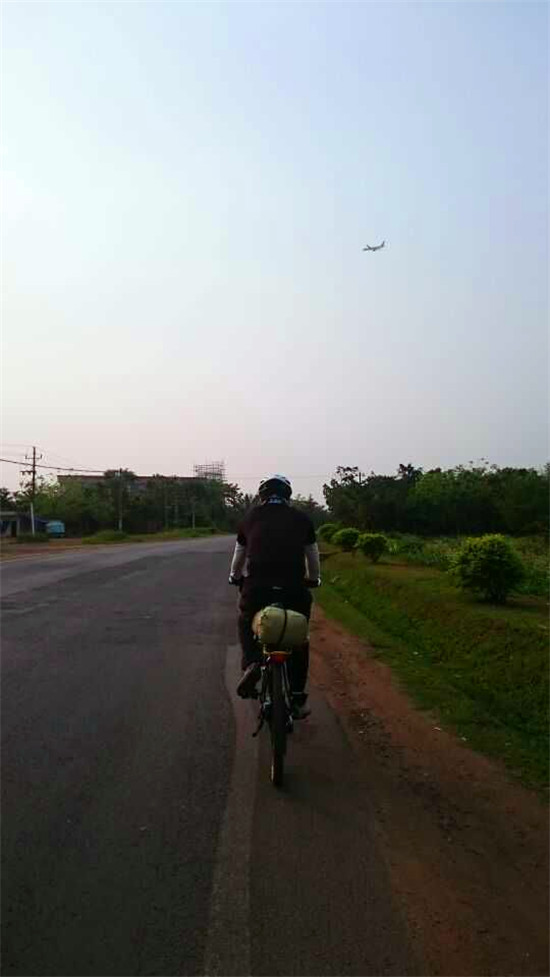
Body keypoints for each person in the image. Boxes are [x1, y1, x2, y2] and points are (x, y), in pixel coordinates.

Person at [228, 474, 321, 719]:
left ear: (262, 496)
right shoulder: (302, 519)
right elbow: (312, 557)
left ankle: (252, 663)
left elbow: (239, 556)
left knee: (245, 619)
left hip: (257, 588)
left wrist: (234, 576)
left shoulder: (249, 518)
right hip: (293, 589)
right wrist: (314, 579)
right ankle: (298, 697)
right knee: (299, 637)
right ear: (287, 495)